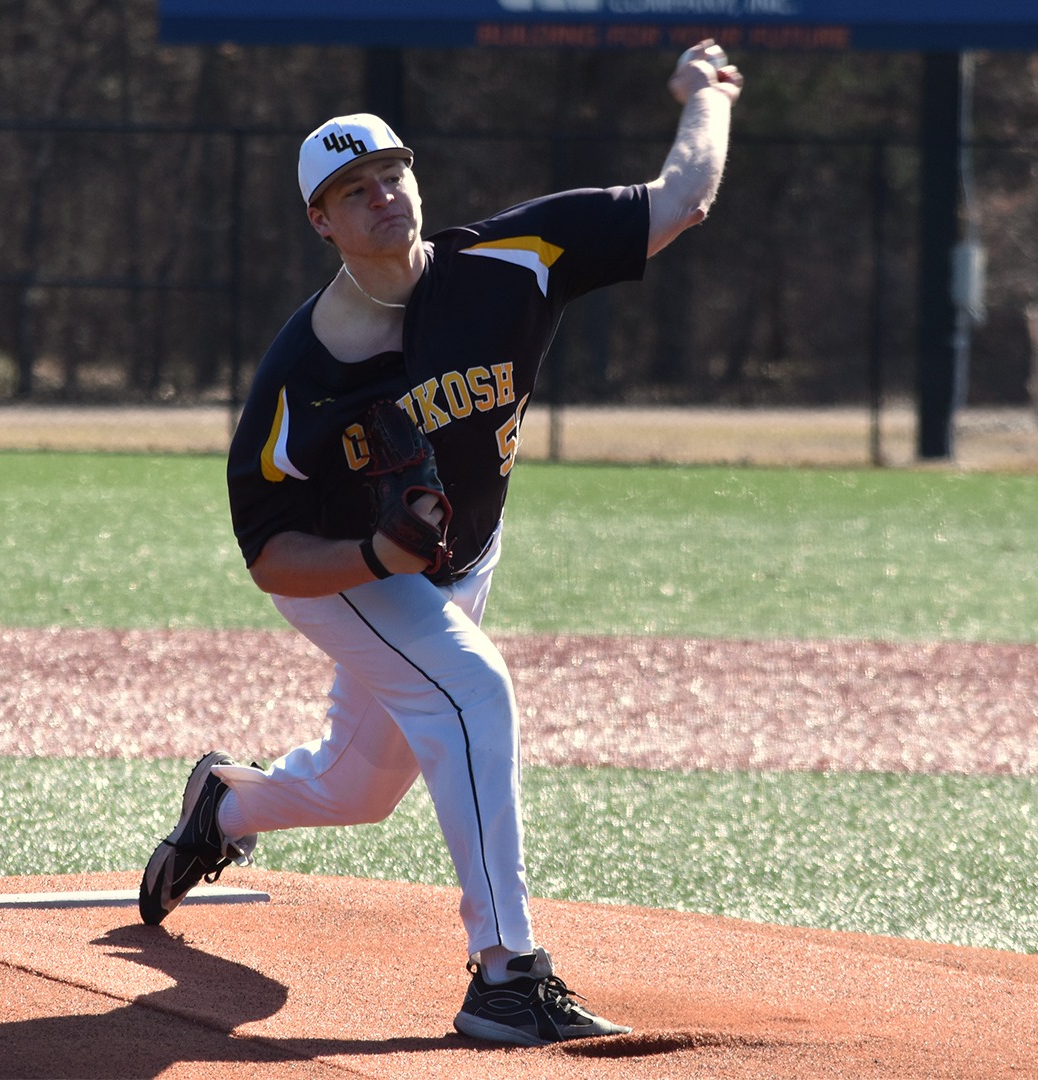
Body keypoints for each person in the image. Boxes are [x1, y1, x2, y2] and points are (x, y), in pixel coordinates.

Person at [139, 43, 740, 1047]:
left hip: (458, 557)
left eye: (391, 174)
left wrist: (706, 95)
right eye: (353, 190)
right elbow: (270, 555)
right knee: (472, 687)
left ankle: (222, 809)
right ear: (321, 222)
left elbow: (684, 197)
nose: (381, 196)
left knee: (358, 789)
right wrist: (377, 558)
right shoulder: (305, 375)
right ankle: (506, 976)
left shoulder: (515, 261)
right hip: (341, 568)